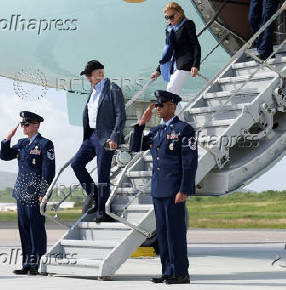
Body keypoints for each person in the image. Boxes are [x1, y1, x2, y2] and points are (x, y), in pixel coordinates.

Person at [130, 90, 198, 284]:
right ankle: (168, 271)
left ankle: (181, 273)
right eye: (157, 106)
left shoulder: (184, 130)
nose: (157, 109)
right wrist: (142, 124)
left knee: (175, 233)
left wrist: (184, 189)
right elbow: (137, 147)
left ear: (172, 106)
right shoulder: (158, 131)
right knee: (163, 232)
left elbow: (189, 163)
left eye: (161, 105)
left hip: (174, 190)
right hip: (159, 189)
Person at [0, 111, 55, 275]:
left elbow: (48, 170)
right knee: (24, 229)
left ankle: (36, 265)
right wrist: (6, 140)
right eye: (22, 124)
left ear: (36, 125)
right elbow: (5, 156)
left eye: (26, 124)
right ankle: (26, 264)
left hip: (35, 194)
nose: (23, 127)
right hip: (21, 193)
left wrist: (44, 192)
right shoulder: (22, 143)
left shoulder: (45, 144)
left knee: (36, 229)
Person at [71, 60, 126, 223]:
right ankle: (94, 195)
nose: (88, 78)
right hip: (91, 137)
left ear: (100, 73)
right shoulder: (92, 91)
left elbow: (120, 115)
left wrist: (115, 136)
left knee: (103, 174)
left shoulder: (113, 89)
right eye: (87, 75)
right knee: (76, 164)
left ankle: (103, 212)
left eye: (90, 75)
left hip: (106, 138)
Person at [151, 2, 201, 98]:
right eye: (167, 17)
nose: (169, 19)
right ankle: (177, 113)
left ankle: (173, 112)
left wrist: (195, 65)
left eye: (171, 16)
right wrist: (158, 70)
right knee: (172, 92)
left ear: (178, 14)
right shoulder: (169, 29)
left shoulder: (188, 24)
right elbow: (168, 51)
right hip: (174, 65)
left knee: (171, 89)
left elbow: (195, 45)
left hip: (186, 62)